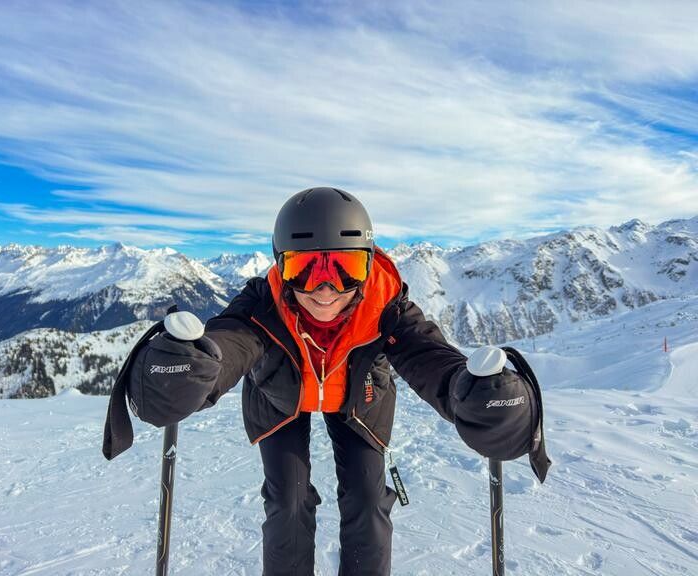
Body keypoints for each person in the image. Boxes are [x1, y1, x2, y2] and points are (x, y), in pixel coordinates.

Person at [103, 186, 549, 576]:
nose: (325, 288)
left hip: (360, 399)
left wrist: (468, 391)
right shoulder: (264, 302)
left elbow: (427, 354)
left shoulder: (386, 305)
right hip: (281, 397)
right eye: (304, 269)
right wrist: (196, 367)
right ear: (280, 267)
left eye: (345, 268)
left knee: (367, 500)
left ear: (368, 265)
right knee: (288, 501)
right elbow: (232, 339)